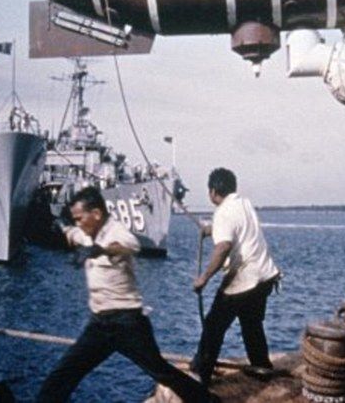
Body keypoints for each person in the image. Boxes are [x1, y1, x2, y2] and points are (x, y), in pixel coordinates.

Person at [35, 186, 214, 403]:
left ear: (97, 214)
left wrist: (101, 250)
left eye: (80, 218)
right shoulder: (88, 232)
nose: (78, 223)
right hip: (100, 324)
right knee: (63, 374)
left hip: (127, 323)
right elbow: (75, 235)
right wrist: (63, 226)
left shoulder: (116, 232)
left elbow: (129, 247)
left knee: (161, 372)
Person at [191, 168, 280, 385]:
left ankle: (201, 375)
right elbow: (237, 226)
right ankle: (261, 367)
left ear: (213, 191)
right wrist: (211, 229)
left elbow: (223, 247)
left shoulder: (222, 212)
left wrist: (204, 278)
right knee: (251, 323)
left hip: (245, 279)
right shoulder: (243, 203)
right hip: (266, 276)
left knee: (213, 326)